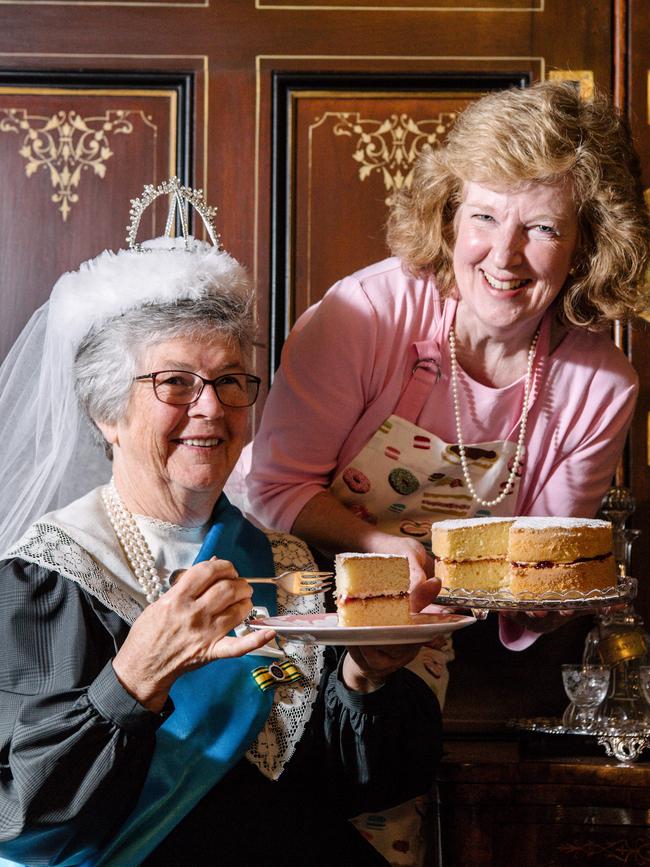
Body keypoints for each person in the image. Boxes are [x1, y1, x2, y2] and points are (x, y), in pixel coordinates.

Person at [245, 81, 649, 861]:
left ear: (586, 243)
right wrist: (381, 546)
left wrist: (547, 596)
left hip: (421, 640)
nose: (504, 254)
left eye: (540, 227)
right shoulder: (364, 316)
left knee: (380, 831)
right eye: (485, 216)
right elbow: (273, 488)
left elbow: (535, 582)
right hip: (282, 608)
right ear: (448, 217)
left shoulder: (602, 385)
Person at [0, 180, 443, 867]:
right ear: (106, 413)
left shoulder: (289, 563)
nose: (211, 408)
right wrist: (133, 680)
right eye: (175, 382)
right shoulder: (45, 578)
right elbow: (23, 813)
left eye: (232, 380)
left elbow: (346, 783)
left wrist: (367, 676)